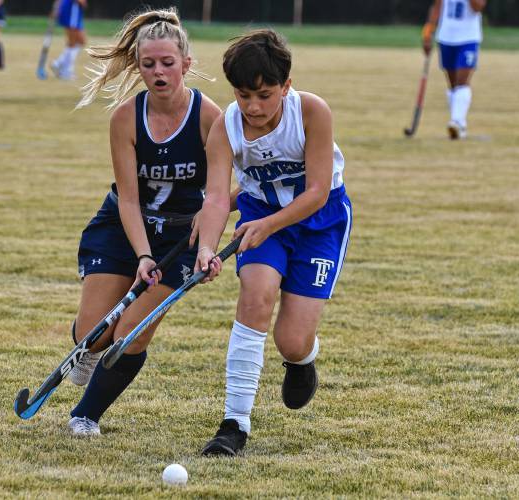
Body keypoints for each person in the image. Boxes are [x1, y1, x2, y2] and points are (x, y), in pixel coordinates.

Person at [194, 29, 352, 456]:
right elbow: (214, 196)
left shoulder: (312, 112)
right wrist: (207, 248)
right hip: (260, 213)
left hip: (321, 222)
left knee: (292, 341)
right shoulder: (226, 127)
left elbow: (317, 190)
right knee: (256, 296)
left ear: (286, 85)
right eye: (243, 95)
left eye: (264, 95)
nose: (253, 107)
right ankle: (234, 425)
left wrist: (269, 225)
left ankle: (302, 360)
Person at [65, 7, 221, 436]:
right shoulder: (125, 119)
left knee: (130, 332)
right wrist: (143, 255)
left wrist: (206, 239)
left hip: (180, 236)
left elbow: (227, 191)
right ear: (138, 66)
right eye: (148, 64)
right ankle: (91, 349)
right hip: (123, 226)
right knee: (94, 335)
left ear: (186, 64)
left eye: (168, 63)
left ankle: (85, 416)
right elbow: (129, 199)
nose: (158, 72)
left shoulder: (210, 118)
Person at [422, 0, 486, 139]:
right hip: (446, 37)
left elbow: (478, 7)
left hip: (468, 38)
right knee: (452, 85)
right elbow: (437, 7)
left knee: (462, 81)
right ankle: (459, 125)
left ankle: (456, 121)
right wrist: (428, 31)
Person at [50, 0, 87, 80]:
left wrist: (57, 8)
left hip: (74, 11)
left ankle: (58, 64)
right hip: (72, 11)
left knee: (80, 42)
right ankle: (66, 71)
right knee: (73, 43)